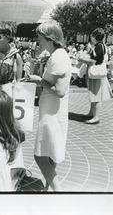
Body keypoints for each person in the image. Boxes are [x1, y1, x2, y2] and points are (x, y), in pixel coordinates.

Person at [28, 20, 72, 191]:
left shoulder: (58, 57)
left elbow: (60, 90)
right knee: (51, 151)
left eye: (40, 37)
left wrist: (39, 80)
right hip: (54, 109)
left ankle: (57, 190)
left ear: (50, 38)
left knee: (40, 155)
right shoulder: (58, 54)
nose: (38, 40)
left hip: (52, 112)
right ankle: (48, 189)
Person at [79, 28, 113, 124]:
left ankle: (96, 116)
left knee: (96, 94)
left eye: (92, 36)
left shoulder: (98, 46)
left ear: (95, 36)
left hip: (96, 73)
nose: (91, 37)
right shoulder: (101, 45)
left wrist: (81, 59)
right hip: (96, 73)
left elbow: (93, 61)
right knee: (93, 93)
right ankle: (91, 113)